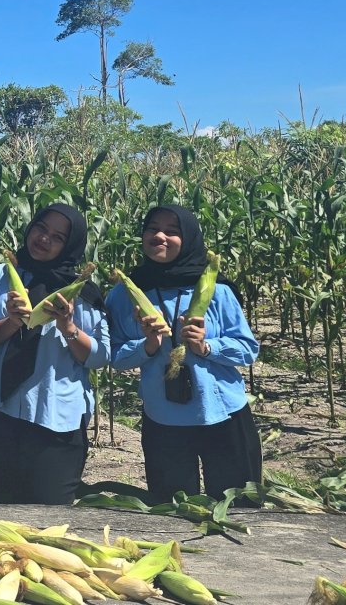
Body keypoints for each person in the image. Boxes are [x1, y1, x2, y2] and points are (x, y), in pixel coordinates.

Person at [110, 204, 261, 502]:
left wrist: (207, 347)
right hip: (164, 418)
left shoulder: (218, 291)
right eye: (152, 229)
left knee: (241, 506)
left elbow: (248, 349)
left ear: (189, 238)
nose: (160, 236)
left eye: (172, 231)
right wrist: (147, 345)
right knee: (174, 509)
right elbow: (115, 355)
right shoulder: (124, 294)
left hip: (223, 414)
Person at [0, 204, 110, 504]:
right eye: (40, 228)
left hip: (56, 421)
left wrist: (68, 327)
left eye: (57, 237)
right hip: (2, 414)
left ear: (71, 245)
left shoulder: (81, 291)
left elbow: (100, 356)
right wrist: (11, 322)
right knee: (7, 513)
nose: (44, 239)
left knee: (50, 517)